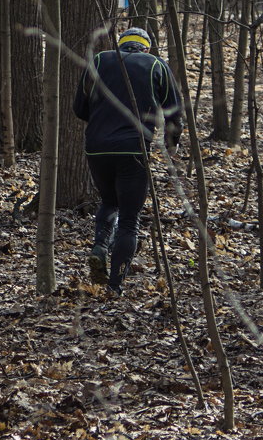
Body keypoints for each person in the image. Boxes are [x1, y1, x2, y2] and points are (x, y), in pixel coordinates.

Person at [72, 26, 182, 295]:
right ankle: (115, 284)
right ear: (147, 47)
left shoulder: (99, 60)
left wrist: (102, 124)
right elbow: (173, 112)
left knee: (109, 202)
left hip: (97, 147)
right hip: (133, 149)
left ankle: (99, 246)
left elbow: (79, 108)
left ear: (121, 45)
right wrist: (171, 144)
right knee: (130, 218)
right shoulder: (156, 64)